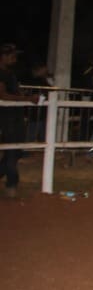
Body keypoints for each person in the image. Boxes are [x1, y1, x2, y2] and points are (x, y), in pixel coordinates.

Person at [0, 44, 40, 199]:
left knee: (16, 151)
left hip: (14, 116)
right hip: (7, 117)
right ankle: (12, 183)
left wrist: (22, 95)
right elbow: (2, 95)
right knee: (12, 150)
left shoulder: (9, 73)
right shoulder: (2, 74)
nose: (15, 58)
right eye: (12, 55)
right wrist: (26, 98)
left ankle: (10, 180)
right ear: (3, 56)